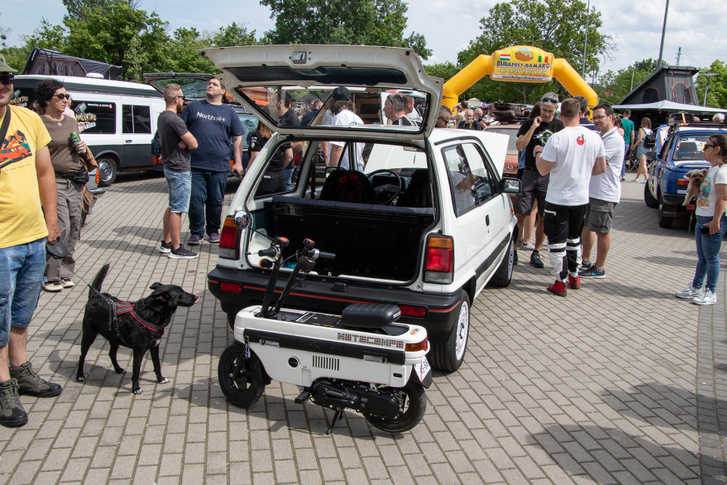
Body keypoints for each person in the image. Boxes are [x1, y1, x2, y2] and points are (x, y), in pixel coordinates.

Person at [0, 57, 63, 428]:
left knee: (22, 311)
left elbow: (44, 171)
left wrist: (51, 220)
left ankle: (20, 369)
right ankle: (3, 384)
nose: (4, 84)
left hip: (32, 236)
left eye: (7, 77)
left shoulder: (28, 120)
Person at [535, 98, 606, 296]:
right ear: (581, 114)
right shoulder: (595, 137)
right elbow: (601, 168)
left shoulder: (557, 138)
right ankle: (574, 275)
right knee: (574, 239)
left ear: (561, 114)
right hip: (581, 197)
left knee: (557, 241)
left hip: (559, 198)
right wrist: (580, 171)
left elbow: (542, 170)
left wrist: (537, 153)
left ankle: (561, 280)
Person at [35, 79, 89, 292]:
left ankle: (66, 272)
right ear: (47, 100)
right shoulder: (38, 122)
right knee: (60, 226)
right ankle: (50, 275)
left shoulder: (70, 121)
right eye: (61, 96)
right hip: (53, 179)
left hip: (74, 179)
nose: (66, 100)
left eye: (67, 96)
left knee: (75, 225)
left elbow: (74, 148)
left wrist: (82, 148)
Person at [181, 77, 243, 246]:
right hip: (195, 164)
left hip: (220, 165)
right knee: (195, 199)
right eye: (209, 83)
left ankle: (214, 231)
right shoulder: (194, 107)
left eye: (215, 84)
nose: (210, 85)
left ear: (223, 91)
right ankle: (196, 232)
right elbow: (179, 127)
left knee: (215, 200)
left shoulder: (229, 112)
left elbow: (237, 138)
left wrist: (238, 162)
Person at [514, 92, 564, 269]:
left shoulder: (559, 126)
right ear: (540, 108)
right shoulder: (529, 123)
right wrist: (533, 128)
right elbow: (520, 146)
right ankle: (514, 250)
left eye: (550, 111)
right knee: (521, 213)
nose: (547, 114)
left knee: (543, 216)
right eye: (544, 110)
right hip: (529, 172)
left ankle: (537, 251)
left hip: (548, 175)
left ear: (556, 109)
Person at [675, 135, 727, 305]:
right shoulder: (711, 169)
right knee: (702, 256)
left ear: (717, 149)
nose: (703, 149)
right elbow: (706, 194)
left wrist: (716, 221)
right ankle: (696, 286)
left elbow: (723, 198)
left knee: (712, 257)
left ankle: (711, 291)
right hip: (702, 216)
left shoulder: (722, 171)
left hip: (712, 219)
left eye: (707, 146)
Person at [580, 104, 625, 279]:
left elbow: (599, 165)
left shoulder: (614, 139)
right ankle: (585, 260)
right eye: (594, 117)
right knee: (588, 227)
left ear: (610, 118)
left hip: (604, 193)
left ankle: (599, 268)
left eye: (600, 117)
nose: (596, 120)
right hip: (592, 191)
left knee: (602, 231)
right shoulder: (600, 136)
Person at [158, 83, 198, 259]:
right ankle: (176, 247)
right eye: (182, 97)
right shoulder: (175, 119)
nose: (183, 101)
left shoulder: (162, 117)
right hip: (179, 168)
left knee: (172, 205)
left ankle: (166, 242)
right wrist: (187, 142)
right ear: (176, 99)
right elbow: (194, 143)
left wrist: (183, 141)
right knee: (178, 209)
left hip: (169, 167)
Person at [516, 103, 541, 252]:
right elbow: (520, 147)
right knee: (528, 210)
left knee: (530, 209)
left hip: (525, 171)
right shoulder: (528, 128)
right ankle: (524, 240)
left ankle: (524, 240)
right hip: (527, 170)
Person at [249, 121, 293, 195]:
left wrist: (248, 172)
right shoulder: (281, 134)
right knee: (278, 203)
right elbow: (289, 156)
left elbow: (255, 157)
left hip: (265, 175)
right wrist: (280, 167)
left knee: (262, 203)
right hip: (280, 176)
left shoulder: (257, 135)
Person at [328, 99, 365, 171]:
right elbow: (361, 148)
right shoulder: (359, 120)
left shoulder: (339, 117)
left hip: (344, 171)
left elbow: (337, 147)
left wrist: (332, 170)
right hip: (358, 169)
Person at [276, 91, 301, 190]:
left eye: (273, 100)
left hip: (286, 165)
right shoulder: (279, 118)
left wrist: (283, 146)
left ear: (280, 102)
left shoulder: (291, 119)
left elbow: (299, 145)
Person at [633, 117, 652, 183]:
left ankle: (646, 178)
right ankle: (636, 177)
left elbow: (640, 139)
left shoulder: (641, 130)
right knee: (641, 163)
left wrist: (634, 145)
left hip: (642, 146)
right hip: (648, 147)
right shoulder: (650, 130)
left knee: (643, 164)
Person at [620, 109, 635, 180]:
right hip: (627, 142)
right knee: (623, 158)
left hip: (620, 141)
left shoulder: (620, 121)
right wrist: (632, 144)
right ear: (629, 115)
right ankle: (623, 174)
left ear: (623, 114)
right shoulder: (631, 123)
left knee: (620, 158)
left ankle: (622, 174)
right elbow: (632, 134)